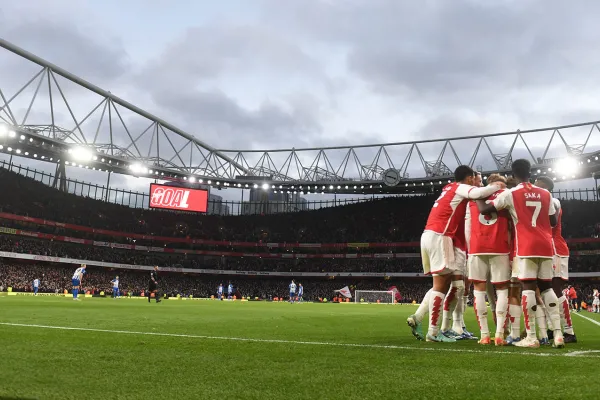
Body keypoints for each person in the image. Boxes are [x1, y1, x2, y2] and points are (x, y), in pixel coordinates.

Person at [407, 165, 502, 343]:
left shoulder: (448, 188)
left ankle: (428, 323)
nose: (476, 183)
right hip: (441, 236)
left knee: (447, 284)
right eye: (475, 179)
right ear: (469, 178)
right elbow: (478, 194)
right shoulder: (461, 188)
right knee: (441, 285)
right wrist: (498, 186)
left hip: (430, 235)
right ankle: (434, 332)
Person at [477, 161, 564, 348]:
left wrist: (478, 192)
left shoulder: (511, 193)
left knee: (528, 288)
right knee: (547, 288)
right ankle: (558, 334)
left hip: (526, 246)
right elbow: (553, 221)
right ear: (530, 172)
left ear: (513, 173)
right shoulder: (546, 193)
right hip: (546, 245)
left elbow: (485, 210)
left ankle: (531, 337)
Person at [466, 174, 511, 346]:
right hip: (500, 247)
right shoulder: (507, 196)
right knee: (502, 289)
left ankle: (484, 335)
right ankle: (500, 334)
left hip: (477, 247)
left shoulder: (474, 196)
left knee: (479, 289)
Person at [534, 176, 577, 343]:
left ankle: (569, 331)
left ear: (546, 188)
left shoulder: (554, 201)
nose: (535, 188)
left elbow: (551, 221)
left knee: (556, 289)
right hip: (546, 248)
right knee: (546, 290)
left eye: (539, 186)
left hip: (556, 249)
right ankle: (553, 328)